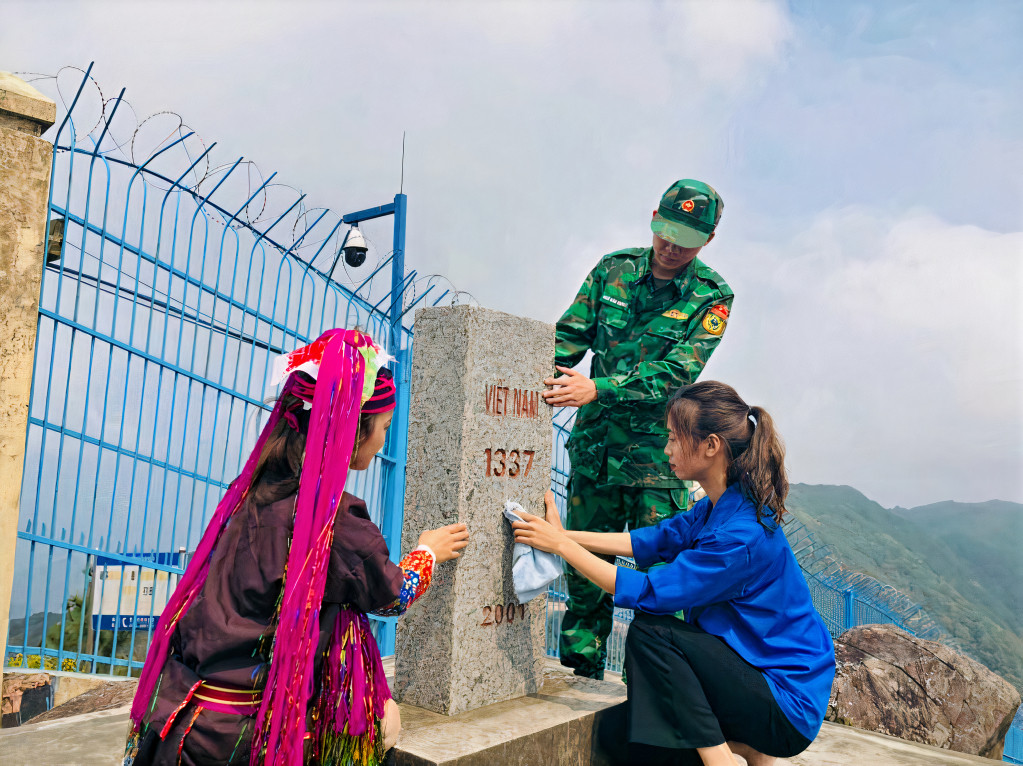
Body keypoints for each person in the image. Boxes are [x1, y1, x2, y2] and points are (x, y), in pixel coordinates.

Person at [123, 330, 469, 766]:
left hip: (181, 720)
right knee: (384, 722)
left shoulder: (248, 494)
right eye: (382, 427)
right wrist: (428, 552)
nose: (383, 440)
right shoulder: (334, 520)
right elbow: (391, 596)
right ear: (352, 427)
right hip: (248, 738)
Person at [514, 381, 836, 766]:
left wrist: (562, 547)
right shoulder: (724, 504)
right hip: (762, 678)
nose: (666, 449)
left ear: (711, 445)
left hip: (786, 706)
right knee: (630, 742)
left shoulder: (740, 536)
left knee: (652, 630)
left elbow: (648, 589)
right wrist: (564, 534)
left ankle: (723, 760)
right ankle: (754, 752)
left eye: (673, 438)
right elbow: (653, 540)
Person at [542, 179, 734, 679]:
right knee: (582, 574)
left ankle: (648, 699)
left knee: (660, 591)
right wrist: (521, 376)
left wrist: (599, 387)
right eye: (665, 232)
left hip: (661, 459)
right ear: (653, 218)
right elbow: (566, 340)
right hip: (596, 453)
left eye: (685, 239)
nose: (671, 247)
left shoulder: (711, 296)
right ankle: (576, 683)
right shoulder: (613, 270)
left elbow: (678, 371)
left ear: (707, 240)